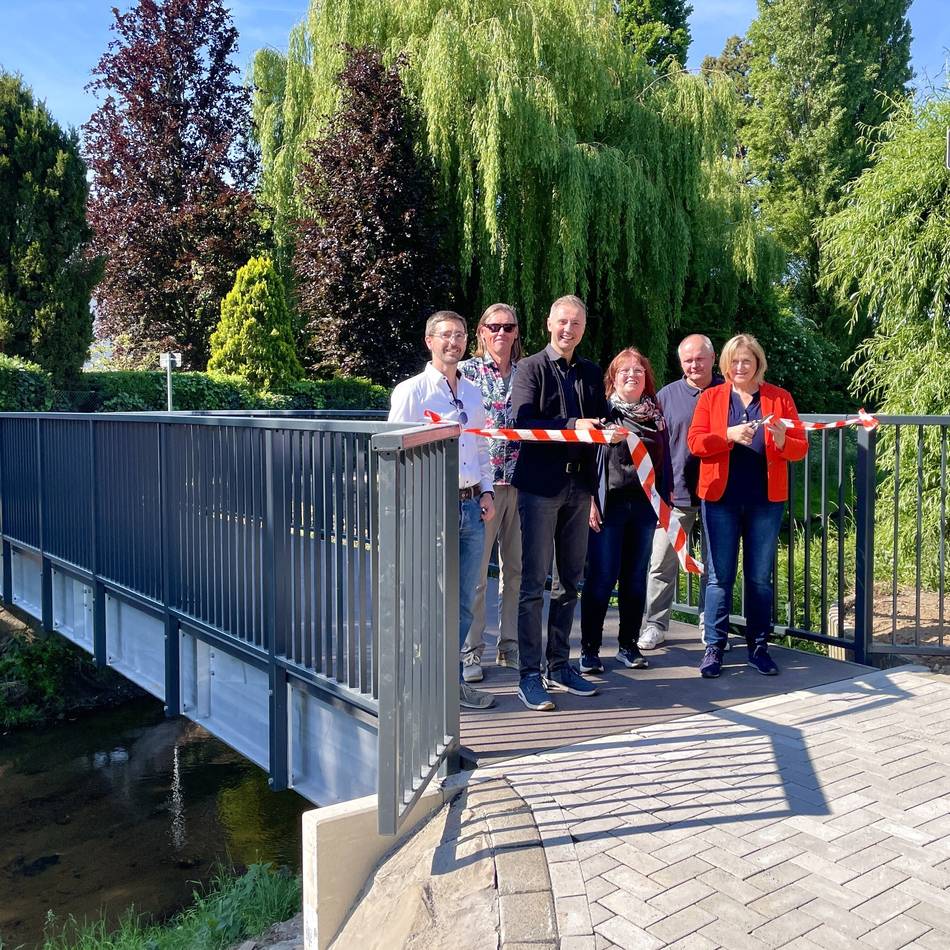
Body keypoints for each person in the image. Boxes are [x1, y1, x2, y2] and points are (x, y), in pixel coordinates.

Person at [389, 310, 497, 709]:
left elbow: (481, 447)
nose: (454, 342)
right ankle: (422, 682)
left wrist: (486, 492)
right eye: (446, 335)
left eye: (461, 335)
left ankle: (449, 682)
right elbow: (394, 454)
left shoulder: (471, 392)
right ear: (429, 341)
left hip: (471, 509)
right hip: (433, 508)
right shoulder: (412, 392)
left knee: (464, 599)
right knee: (429, 600)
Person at [687, 333, 808, 679]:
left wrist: (783, 438)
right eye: (735, 361)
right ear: (725, 364)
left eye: (747, 361)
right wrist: (726, 435)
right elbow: (695, 442)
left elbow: (799, 449)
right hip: (720, 499)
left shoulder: (779, 398)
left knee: (758, 578)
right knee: (718, 578)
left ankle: (758, 647)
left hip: (765, 502)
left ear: (758, 363)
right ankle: (714, 648)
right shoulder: (711, 398)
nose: (740, 367)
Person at [510, 295, 607, 711]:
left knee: (571, 582)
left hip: (579, 488)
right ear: (549, 323)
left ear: (584, 328)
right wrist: (572, 425)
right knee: (534, 584)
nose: (569, 329)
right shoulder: (529, 368)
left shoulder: (590, 371)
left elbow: (599, 425)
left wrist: (609, 432)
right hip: (539, 488)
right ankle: (529, 675)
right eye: (563, 321)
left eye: (577, 323)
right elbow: (522, 421)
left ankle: (559, 665)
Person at [580, 348, 671, 674]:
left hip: (645, 507)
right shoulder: (603, 413)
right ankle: (589, 649)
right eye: (624, 371)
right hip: (609, 505)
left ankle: (627, 646)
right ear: (613, 378)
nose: (632, 375)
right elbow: (588, 459)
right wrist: (590, 498)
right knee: (601, 577)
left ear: (647, 378)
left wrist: (666, 502)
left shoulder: (656, 415)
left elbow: (666, 462)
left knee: (635, 580)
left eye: (638, 371)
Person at [639, 334, 721, 651]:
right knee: (662, 563)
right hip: (675, 494)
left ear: (713, 359)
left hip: (718, 494)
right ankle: (656, 625)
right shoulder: (667, 396)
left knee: (715, 565)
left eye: (699, 358)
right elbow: (653, 443)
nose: (693, 364)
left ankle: (709, 623)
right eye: (687, 359)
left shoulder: (728, 393)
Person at [459, 303, 522, 683]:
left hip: (520, 485)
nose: (501, 333)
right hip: (483, 488)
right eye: (493, 327)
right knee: (477, 575)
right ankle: (471, 651)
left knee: (516, 570)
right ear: (482, 331)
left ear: (516, 333)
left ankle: (509, 645)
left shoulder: (527, 371)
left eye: (508, 327)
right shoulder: (465, 373)